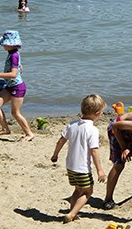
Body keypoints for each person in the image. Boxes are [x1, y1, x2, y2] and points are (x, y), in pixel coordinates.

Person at [51, 94, 107, 223]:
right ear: (97, 113)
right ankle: (71, 214)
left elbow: (61, 141)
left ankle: (73, 213)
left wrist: (55, 155)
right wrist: (100, 170)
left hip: (70, 166)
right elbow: (94, 151)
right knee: (87, 192)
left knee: (77, 189)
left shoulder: (72, 125)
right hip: (82, 167)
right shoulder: (92, 130)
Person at [0, 30, 35, 141]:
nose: (3, 45)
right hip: (10, 86)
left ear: (10, 44)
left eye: (4, 43)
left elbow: (13, 74)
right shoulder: (12, 54)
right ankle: (5, 129)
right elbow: (17, 68)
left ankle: (29, 134)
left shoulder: (14, 55)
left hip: (17, 87)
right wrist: (19, 67)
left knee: (15, 113)